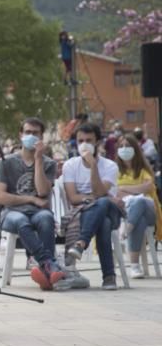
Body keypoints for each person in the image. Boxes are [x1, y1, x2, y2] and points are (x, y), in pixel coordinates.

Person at [0, 118, 64, 290]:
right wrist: (30, 199)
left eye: (35, 133)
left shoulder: (48, 163)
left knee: (47, 217)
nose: (31, 136)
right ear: (20, 134)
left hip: (38, 212)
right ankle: (48, 263)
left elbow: (42, 192)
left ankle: (45, 272)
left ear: (41, 137)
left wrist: (38, 160)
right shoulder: (6, 162)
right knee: (20, 221)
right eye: (27, 132)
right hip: (10, 213)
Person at [62, 123, 123, 290]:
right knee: (103, 223)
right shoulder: (70, 165)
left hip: (111, 212)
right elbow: (73, 198)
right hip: (84, 212)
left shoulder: (110, 166)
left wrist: (93, 166)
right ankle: (109, 277)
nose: (84, 144)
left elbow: (99, 193)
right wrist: (93, 199)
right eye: (80, 140)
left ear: (97, 142)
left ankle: (81, 242)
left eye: (89, 140)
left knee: (103, 203)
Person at [116, 134, 161, 279]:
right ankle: (135, 266)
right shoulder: (115, 170)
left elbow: (148, 186)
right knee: (138, 220)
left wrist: (126, 189)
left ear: (135, 149)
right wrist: (138, 188)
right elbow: (115, 192)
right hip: (126, 211)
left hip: (149, 210)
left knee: (140, 201)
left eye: (128, 146)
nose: (124, 149)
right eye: (121, 146)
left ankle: (127, 228)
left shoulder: (143, 169)